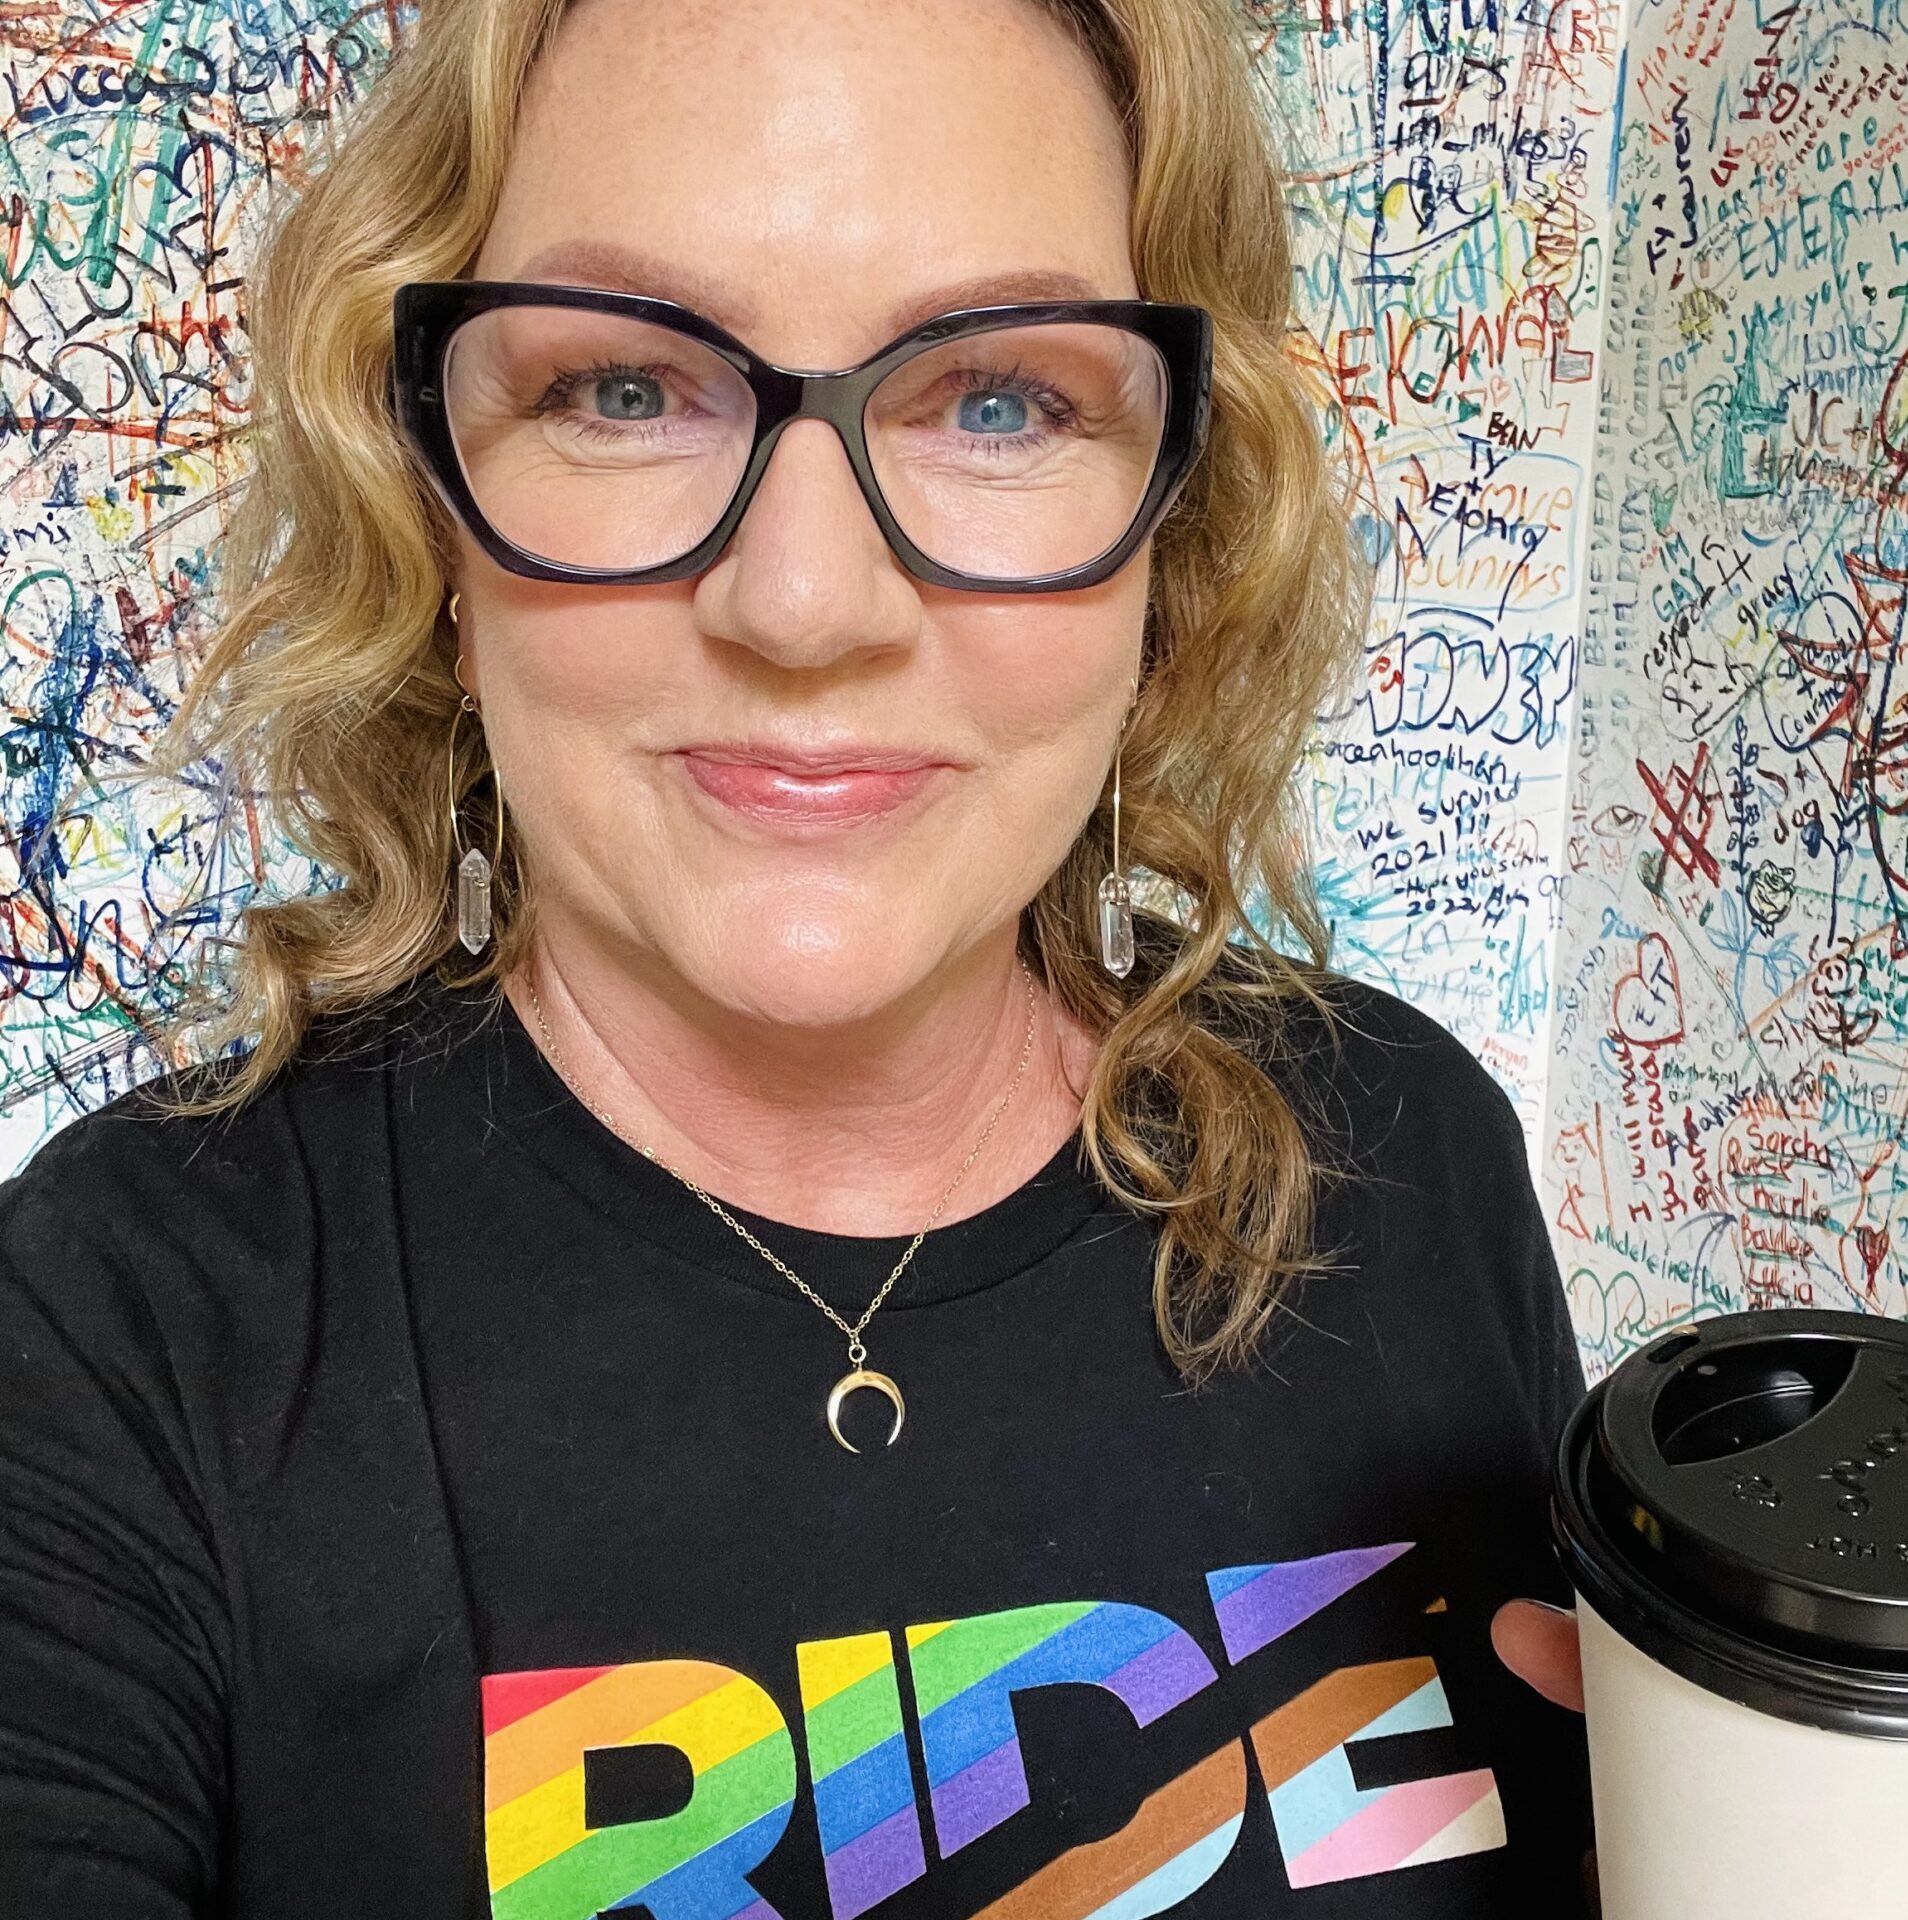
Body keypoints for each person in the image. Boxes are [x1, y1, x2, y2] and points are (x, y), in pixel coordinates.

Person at [0, 0, 1599, 1913]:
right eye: (625, 389)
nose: (808, 602)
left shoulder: (1406, 1150)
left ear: (1179, 510)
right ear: (428, 485)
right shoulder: (123, 1331)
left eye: (1000, 400)